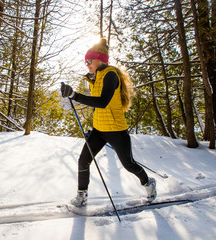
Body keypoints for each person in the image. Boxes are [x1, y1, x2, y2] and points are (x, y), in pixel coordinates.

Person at [61, 38, 156, 207]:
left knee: (129, 164)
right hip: (99, 129)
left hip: (116, 130)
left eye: (89, 60)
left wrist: (75, 95)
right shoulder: (95, 78)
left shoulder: (111, 75)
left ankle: (148, 183)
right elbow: (97, 107)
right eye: (85, 62)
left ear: (100, 59)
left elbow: (103, 101)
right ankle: (81, 196)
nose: (87, 64)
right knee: (83, 160)